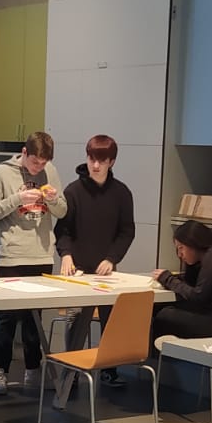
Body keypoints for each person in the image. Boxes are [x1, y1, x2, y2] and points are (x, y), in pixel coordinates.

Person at [0, 131, 66, 395]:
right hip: (12, 256)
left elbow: (62, 210)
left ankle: (33, 368)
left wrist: (52, 199)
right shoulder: (1, 173)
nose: (38, 168)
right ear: (24, 152)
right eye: (34, 162)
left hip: (42, 255)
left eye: (43, 163)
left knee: (34, 320)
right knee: (6, 319)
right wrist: (18, 199)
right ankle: (1, 371)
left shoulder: (50, 171)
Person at [54, 135, 135, 385]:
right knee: (76, 319)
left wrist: (112, 258)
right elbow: (62, 229)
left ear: (111, 162)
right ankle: (71, 372)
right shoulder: (73, 191)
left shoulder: (121, 193)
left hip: (106, 273)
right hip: (77, 270)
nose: (95, 165)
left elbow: (127, 231)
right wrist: (66, 254)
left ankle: (110, 369)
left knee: (111, 319)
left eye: (102, 161)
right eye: (92, 159)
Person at [150, 220, 212, 343]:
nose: (179, 254)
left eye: (181, 248)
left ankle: (160, 354)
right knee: (163, 308)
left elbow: (198, 296)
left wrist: (168, 279)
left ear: (193, 243)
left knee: (164, 314)